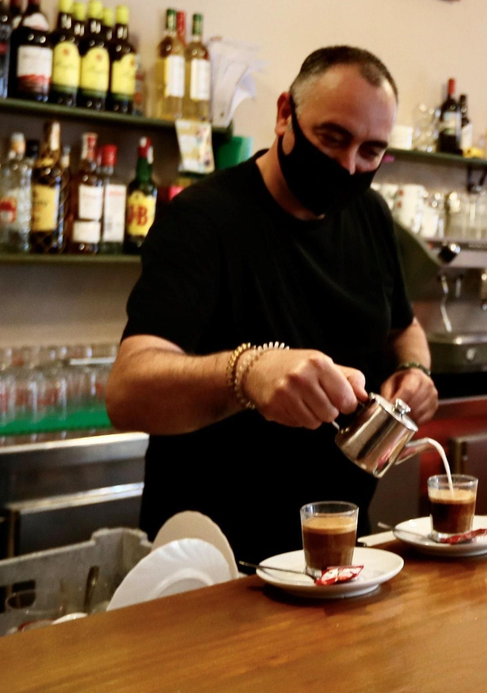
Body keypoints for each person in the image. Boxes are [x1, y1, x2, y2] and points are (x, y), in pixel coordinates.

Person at [105, 46, 438, 564]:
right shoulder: (202, 220)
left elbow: (405, 329)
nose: (349, 167)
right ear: (285, 114)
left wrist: (415, 371)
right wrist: (248, 372)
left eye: (370, 152)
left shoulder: (370, 214)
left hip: (338, 555)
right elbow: (127, 394)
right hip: (211, 566)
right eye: (332, 138)